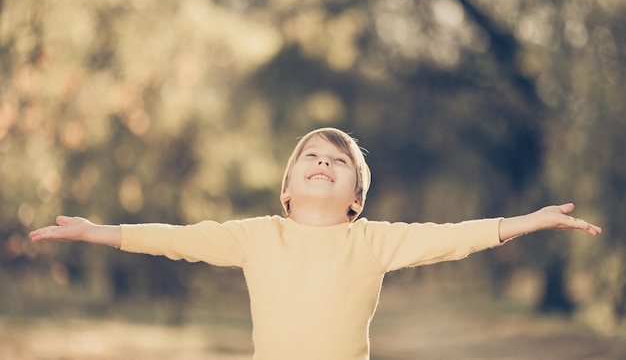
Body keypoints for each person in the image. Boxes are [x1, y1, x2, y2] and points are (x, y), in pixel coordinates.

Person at [29, 127, 602, 360]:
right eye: (312, 156)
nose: (324, 161)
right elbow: (176, 239)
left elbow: (453, 239)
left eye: (339, 161)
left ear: (356, 196)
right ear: (287, 188)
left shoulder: (374, 241)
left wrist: (529, 220)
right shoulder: (256, 237)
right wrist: (93, 231)